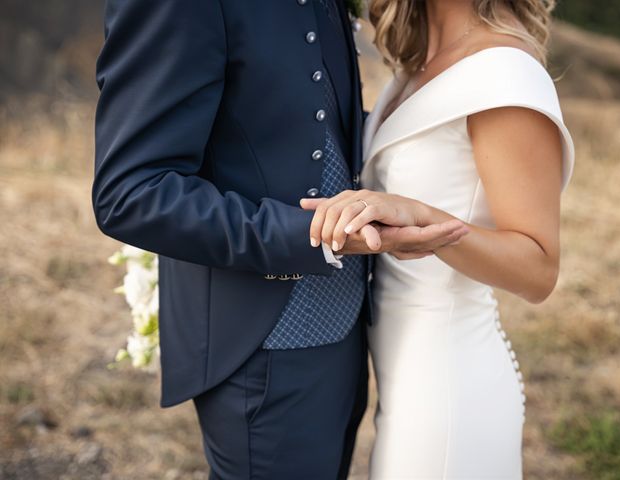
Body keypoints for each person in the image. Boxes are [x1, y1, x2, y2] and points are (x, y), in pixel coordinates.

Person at [92, 0, 464, 478]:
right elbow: (131, 193)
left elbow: (308, 122)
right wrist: (311, 234)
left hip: (349, 330)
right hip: (261, 346)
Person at [302, 0, 575, 477]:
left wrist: (427, 222)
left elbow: (538, 270)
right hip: (404, 382)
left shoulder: (504, 71)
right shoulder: (419, 60)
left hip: (449, 392)